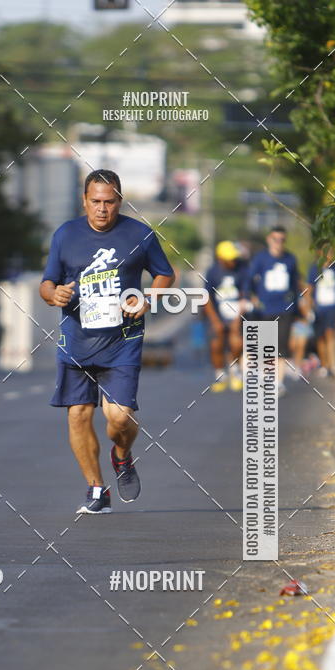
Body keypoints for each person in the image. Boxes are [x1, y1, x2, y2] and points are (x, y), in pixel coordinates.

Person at [39, 169, 174, 514]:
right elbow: (47, 283)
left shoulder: (139, 234)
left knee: (119, 418)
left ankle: (122, 456)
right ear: (84, 201)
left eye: (109, 202)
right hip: (77, 341)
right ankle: (97, 489)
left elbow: (165, 274)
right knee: (78, 416)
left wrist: (146, 300)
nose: (102, 209)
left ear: (120, 201)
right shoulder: (65, 234)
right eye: (95, 202)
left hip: (122, 341)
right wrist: (55, 294)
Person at [245, 226, 305, 396]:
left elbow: (295, 283)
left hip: (285, 308)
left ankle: (278, 382)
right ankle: (266, 378)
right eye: (275, 239)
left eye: (282, 240)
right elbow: (249, 280)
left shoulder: (290, 259)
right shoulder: (261, 258)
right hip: (265, 309)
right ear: (269, 239)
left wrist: (298, 305)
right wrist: (251, 297)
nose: (279, 243)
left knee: (282, 347)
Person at [204, 240, 247, 392]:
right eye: (230, 259)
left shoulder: (241, 270)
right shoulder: (213, 272)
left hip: (236, 314)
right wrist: (215, 321)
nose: (233, 261)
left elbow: (244, 295)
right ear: (221, 258)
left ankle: (235, 371)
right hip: (218, 314)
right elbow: (206, 297)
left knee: (237, 343)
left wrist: (238, 318)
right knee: (216, 345)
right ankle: (220, 375)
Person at [307, 244, 335, 377]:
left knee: (330, 333)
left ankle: (332, 365)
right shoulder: (315, 269)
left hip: (332, 307)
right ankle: (324, 364)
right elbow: (309, 288)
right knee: (320, 337)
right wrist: (309, 307)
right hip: (319, 307)